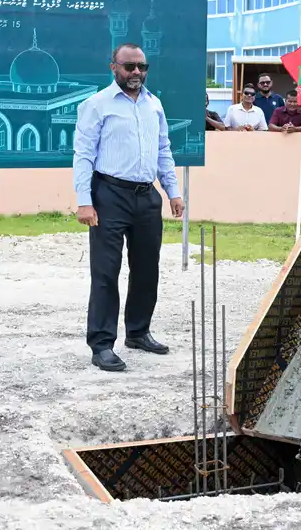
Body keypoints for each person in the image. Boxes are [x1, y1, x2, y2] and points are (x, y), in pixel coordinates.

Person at [73, 43, 184, 373]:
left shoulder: (154, 105)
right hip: (109, 194)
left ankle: (138, 332)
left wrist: (173, 192)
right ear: (114, 67)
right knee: (106, 271)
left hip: (146, 196)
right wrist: (84, 201)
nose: (136, 72)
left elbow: (163, 149)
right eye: (129, 66)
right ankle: (102, 344)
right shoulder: (96, 105)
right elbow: (83, 154)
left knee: (147, 268)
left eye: (142, 66)